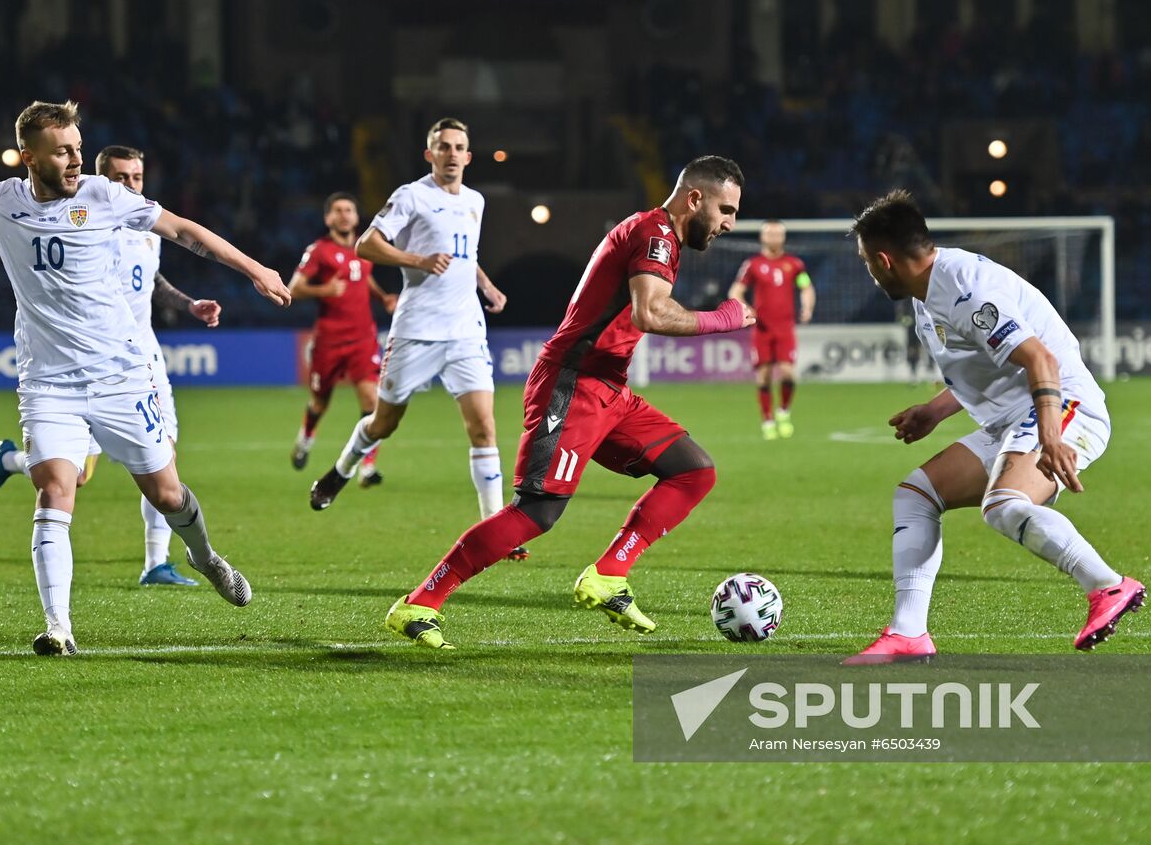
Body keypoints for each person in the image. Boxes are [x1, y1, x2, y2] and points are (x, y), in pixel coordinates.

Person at [0, 82, 290, 654]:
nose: (76, 159)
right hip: (49, 383)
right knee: (55, 490)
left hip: (121, 375)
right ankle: (58, 627)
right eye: (62, 150)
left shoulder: (103, 196)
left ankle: (205, 557)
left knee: (167, 495)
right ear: (31, 156)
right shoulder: (0, 200)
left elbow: (185, 231)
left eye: (78, 147)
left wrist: (255, 268)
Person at [382, 156, 754, 649]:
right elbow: (650, 313)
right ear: (695, 199)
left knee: (693, 470)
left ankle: (609, 574)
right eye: (726, 210)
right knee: (536, 512)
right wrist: (723, 318)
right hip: (572, 384)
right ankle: (419, 603)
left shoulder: (659, 235)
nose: (729, 224)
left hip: (608, 390)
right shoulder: (655, 235)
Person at [844, 190, 1144, 664]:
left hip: (1064, 405)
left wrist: (1049, 436)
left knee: (1003, 505)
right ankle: (908, 634)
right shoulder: (929, 290)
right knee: (917, 495)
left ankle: (1108, 586)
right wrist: (934, 410)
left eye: (866, 262)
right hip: (1014, 417)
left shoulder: (965, 289)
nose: (868, 271)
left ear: (884, 260)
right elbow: (988, 367)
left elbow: (1038, 358)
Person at [0, 144, 222, 588]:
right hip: (83, 363)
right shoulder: (89, 223)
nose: (130, 185)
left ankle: (156, 563)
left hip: (140, 357)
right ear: (101, 179)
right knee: (78, 476)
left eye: (137, 178)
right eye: (121, 178)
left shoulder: (146, 228)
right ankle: (11, 460)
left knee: (165, 461)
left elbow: (151, 281)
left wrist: (188, 305)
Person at [309, 119, 526, 558]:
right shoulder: (411, 195)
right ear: (430, 154)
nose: (450, 154)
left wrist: (485, 285)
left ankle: (494, 532)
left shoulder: (476, 201)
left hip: (466, 331)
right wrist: (417, 260)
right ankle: (341, 470)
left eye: (458, 147)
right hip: (417, 331)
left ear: (468, 156)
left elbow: (467, 254)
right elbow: (366, 246)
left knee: (484, 428)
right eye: (442, 147)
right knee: (384, 423)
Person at [288, 192, 397, 476]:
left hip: (363, 338)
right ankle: (305, 439)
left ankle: (367, 467)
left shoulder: (364, 247)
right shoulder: (319, 250)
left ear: (356, 216)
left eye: (349, 209)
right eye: (337, 210)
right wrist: (323, 290)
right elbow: (294, 287)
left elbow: (364, 275)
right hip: (329, 341)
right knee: (319, 403)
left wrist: (382, 297)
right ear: (328, 218)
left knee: (372, 401)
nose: (344, 215)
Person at [728, 219, 814, 438]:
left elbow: (806, 287)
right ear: (762, 237)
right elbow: (735, 292)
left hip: (785, 327)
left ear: (783, 237)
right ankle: (767, 420)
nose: (774, 238)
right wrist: (746, 308)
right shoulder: (753, 264)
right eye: (770, 234)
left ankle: (783, 411)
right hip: (762, 329)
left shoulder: (795, 264)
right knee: (763, 376)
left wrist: (807, 306)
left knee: (788, 374)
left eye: (778, 234)